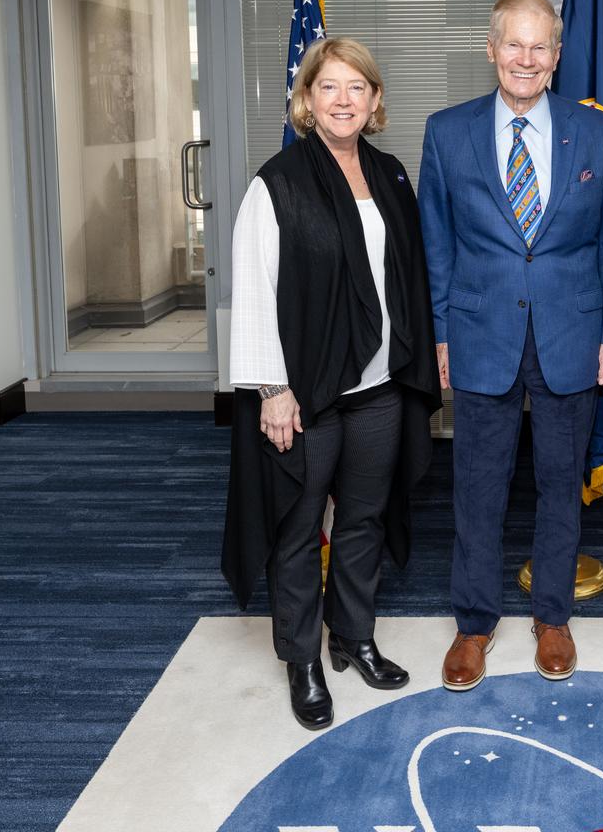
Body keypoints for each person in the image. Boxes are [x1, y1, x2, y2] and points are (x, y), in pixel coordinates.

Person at [221, 37, 440, 730]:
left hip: (379, 388)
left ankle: (354, 635)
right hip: (306, 395)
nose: (343, 100)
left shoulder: (389, 173)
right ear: (307, 100)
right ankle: (303, 659)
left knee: (363, 521)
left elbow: (411, 278)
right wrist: (271, 389)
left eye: (357, 87)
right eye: (329, 87)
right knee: (296, 527)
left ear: (375, 101)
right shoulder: (276, 183)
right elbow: (254, 291)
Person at [417, 0, 603, 690]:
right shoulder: (447, 133)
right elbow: (436, 247)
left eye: (541, 47)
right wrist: (442, 333)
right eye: (514, 44)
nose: (527, 59)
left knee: (562, 486)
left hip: (571, 332)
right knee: (477, 488)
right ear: (491, 49)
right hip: (479, 334)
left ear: (558, 56)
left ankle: (552, 616)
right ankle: (474, 625)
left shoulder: (597, 135)